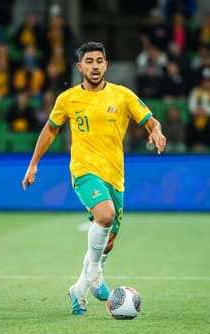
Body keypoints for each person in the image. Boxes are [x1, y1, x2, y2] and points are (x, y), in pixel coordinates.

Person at [21, 42, 166, 315]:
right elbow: (50, 131)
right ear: (80, 67)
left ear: (106, 65)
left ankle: (79, 289)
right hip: (84, 171)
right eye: (89, 61)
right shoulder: (67, 99)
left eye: (100, 60)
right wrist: (33, 164)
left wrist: (155, 131)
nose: (95, 66)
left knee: (108, 239)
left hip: (115, 176)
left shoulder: (123, 96)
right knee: (105, 215)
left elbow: (150, 120)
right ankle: (96, 274)